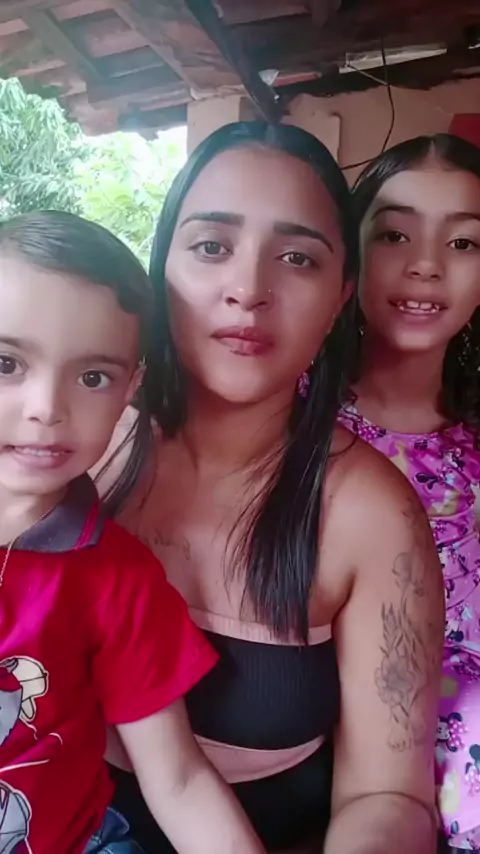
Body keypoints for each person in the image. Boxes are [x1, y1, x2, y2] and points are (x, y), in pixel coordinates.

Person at [95, 122, 445, 854]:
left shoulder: (370, 514)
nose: (248, 291)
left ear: (341, 296)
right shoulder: (80, 449)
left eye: (296, 258)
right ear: (161, 268)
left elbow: (388, 795)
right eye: (211, 247)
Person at [0, 210, 267, 854]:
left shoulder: (116, 579)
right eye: (6, 363)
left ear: (130, 389)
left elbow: (177, 779)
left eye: (92, 377)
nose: (46, 409)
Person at [338, 133, 480, 851]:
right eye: (395, 234)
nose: (426, 264)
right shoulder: (291, 420)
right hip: (341, 728)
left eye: (463, 243)